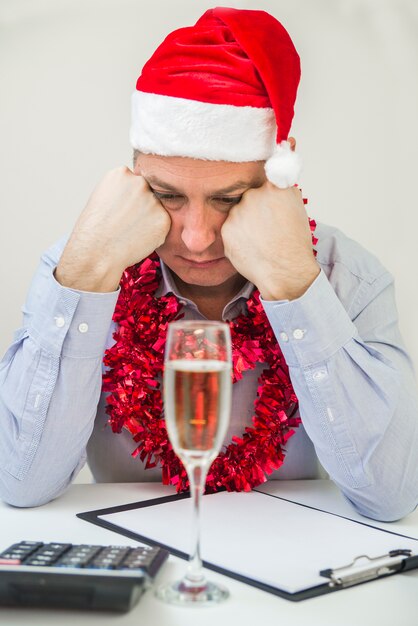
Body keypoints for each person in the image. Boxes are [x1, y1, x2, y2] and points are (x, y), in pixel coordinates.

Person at [0, 7, 417, 520]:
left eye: (229, 198)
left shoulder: (346, 276)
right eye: (166, 194)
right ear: (134, 176)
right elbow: (19, 481)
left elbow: (392, 495)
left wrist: (293, 283)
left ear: (279, 181)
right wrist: (86, 270)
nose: (197, 239)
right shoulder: (81, 266)